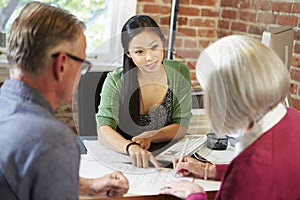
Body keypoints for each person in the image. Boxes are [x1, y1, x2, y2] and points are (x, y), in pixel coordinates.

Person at [0, 2, 128, 199]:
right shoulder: (52, 140)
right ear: (61, 65)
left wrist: (88, 185)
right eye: (82, 64)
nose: (81, 73)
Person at [159, 35, 300, 199]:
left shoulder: (249, 170)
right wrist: (209, 170)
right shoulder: (292, 117)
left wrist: (195, 195)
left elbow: (251, 175)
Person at [96, 15, 192, 168]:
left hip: (164, 159)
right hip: (124, 159)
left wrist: (152, 136)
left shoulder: (179, 71)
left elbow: (181, 125)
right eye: (139, 52)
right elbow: (103, 130)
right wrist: (130, 147)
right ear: (129, 54)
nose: (149, 57)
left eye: (154, 47)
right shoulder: (115, 80)